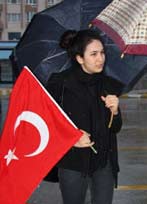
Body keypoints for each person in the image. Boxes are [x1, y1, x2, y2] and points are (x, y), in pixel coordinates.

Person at [46, 29, 124, 204]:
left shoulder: (108, 85)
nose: (100, 59)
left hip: (103, 162)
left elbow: (116, 127)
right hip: (72, 162)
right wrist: (72, 137)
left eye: (102, 53)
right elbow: (49, 121)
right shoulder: (60, 83)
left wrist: (115, 111)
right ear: (80, 58)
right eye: (94, 54)